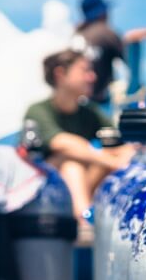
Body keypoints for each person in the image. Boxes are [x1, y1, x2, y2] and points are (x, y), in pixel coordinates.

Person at [23, 50, 133, 219]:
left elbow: (119, 143)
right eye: (85, 70)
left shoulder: (90, 112)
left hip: (85, 183)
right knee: (71, 163)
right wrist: (112, 160)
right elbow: (61, 143)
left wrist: (126, 154)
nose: (92, 77)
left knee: (118, 154)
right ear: (60, 74)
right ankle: (84, 222)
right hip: (45, 192)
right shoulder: (37, 110)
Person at [73, 0, 123, 107]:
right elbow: (129, 60)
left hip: (78, 104)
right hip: (101, 102)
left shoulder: (76, 35)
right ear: (101, 13)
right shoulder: (106, 33)